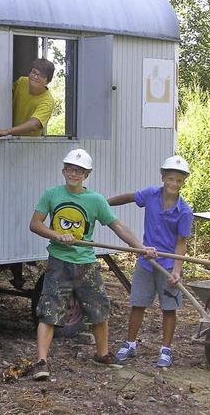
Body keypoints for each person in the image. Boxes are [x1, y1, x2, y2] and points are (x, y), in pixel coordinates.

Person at [27, 148, 158, 380]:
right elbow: (35, 224)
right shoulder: (51, 194)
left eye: (79, 170)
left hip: (86, 263)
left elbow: (118, 227)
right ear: (63, 170)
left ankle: (102, 354)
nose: (73, 174)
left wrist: (140, 247)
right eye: (70, 169)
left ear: (87, 174)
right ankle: (41, 361)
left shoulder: (95, 200)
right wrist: (56, 235)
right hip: (59, 262)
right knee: (48, 311)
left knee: (99, 310)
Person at [111, 155, 193, 368]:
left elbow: (181, 243)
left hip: (167, 265)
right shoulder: (150, 195)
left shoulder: (184, 211)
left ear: (183, 182)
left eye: (179, 180)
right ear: (163, 177)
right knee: (137, 303)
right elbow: (130, 197)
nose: (174, 184)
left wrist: (177, 270)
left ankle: (166, 350)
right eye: (171, 178)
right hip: (146, 262)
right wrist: (103, 203)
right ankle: (130, 344)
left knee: (168, 308)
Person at [0, 58, 55, 139]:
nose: (35, 76)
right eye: (34, 72)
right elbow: (3, 94)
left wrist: (7, 131)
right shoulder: (22, 81)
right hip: (4, 139)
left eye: (41, 75)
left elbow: (34, 125)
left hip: (26, 145)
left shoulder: (47, 101)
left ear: (48, 81)